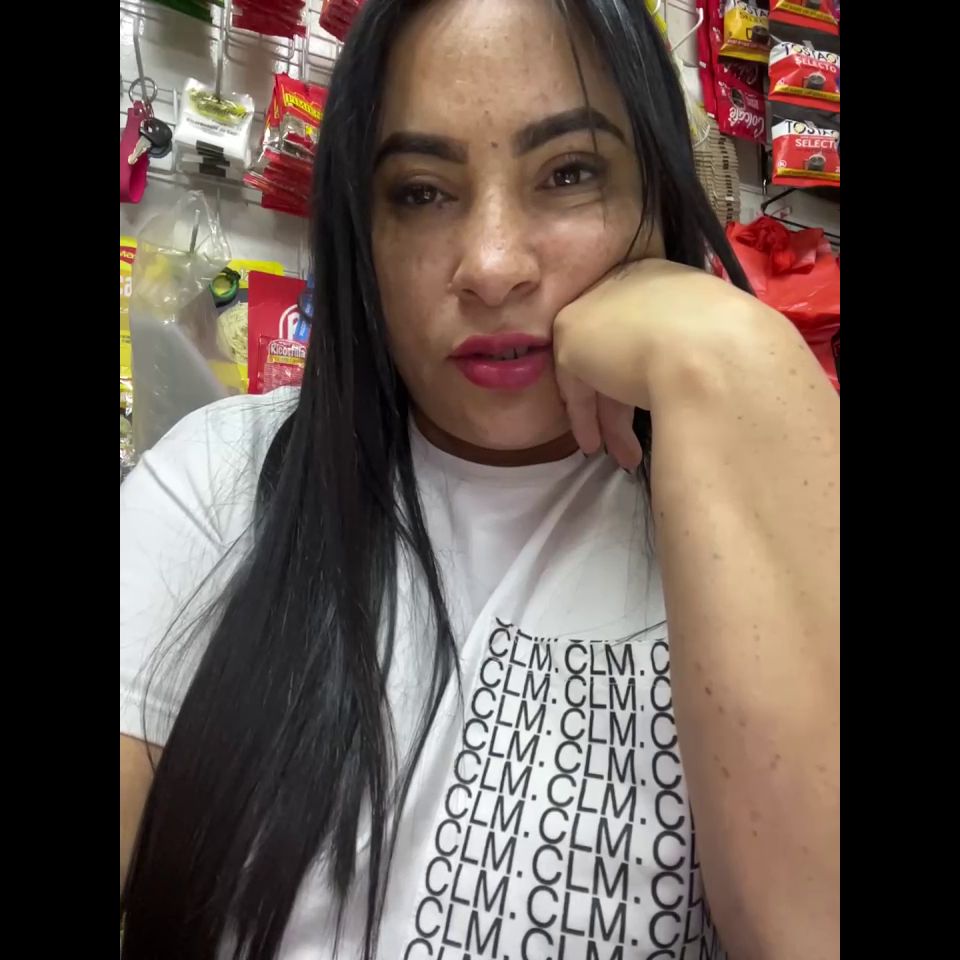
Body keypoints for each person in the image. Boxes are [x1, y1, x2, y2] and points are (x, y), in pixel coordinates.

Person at [120, 0, 840, 957]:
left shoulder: (753, 514)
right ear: (362, 236)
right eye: (421, 192)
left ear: (657, 195)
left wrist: (743, 357)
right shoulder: (218, 482)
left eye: (570, 174)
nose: (493, 267)